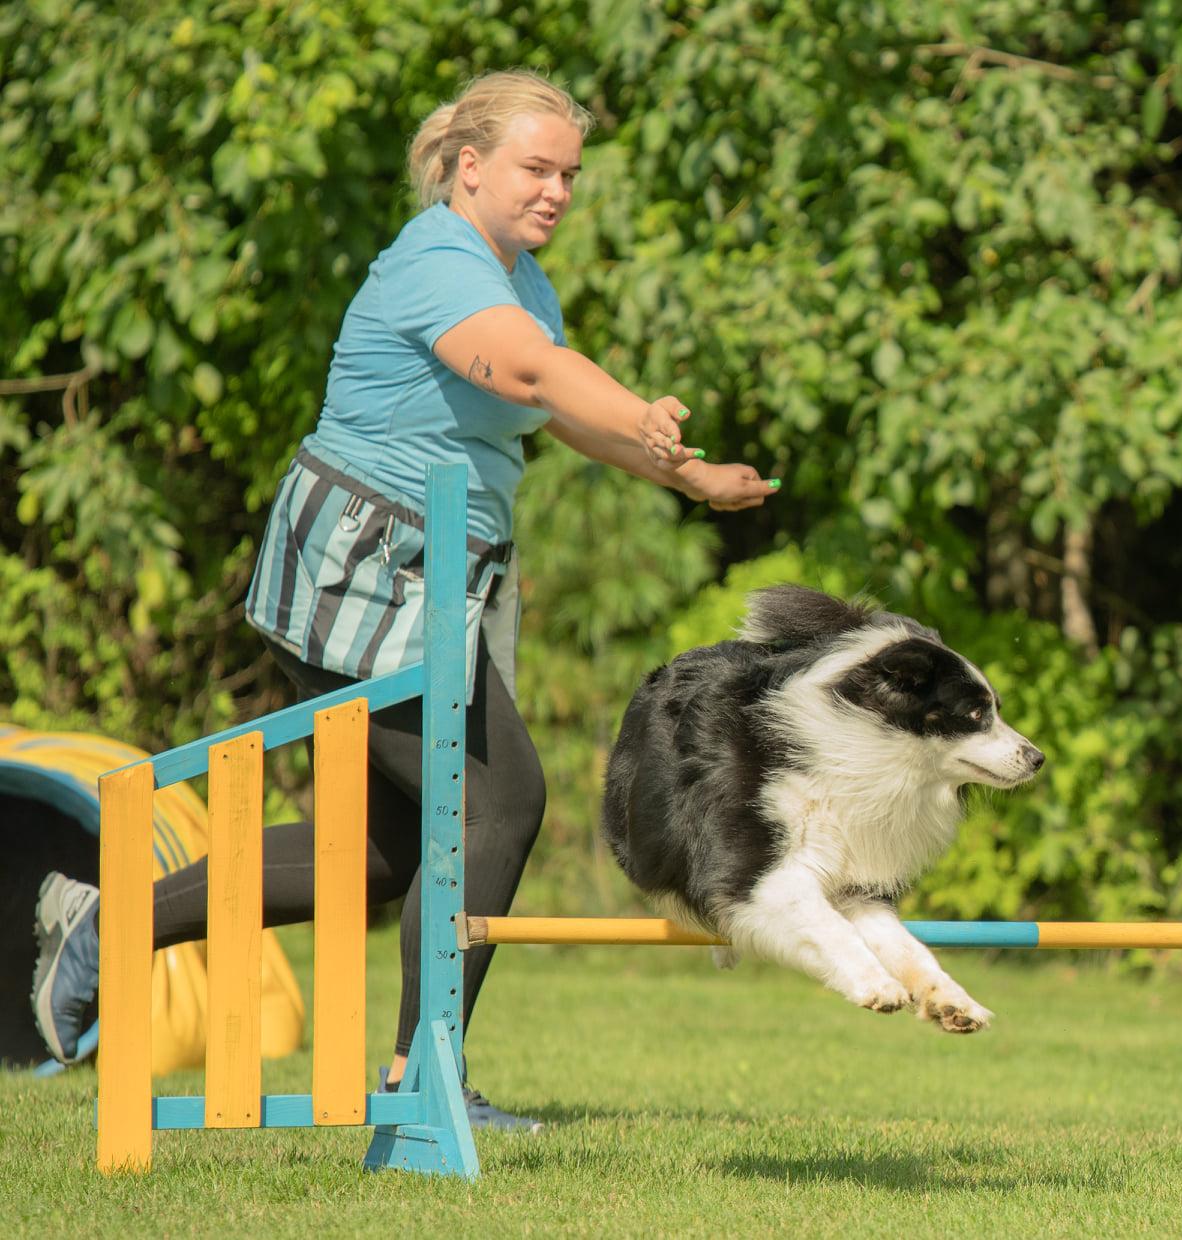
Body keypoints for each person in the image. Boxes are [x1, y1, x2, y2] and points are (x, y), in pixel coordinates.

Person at [30, 69, 779, 1129]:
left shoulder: (521, 279)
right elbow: (528, 378)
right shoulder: (437, 260)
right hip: (363, 561)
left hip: (430, 575)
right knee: (497, 799)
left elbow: (560, 412)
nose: (557, 190)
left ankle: (110, 930)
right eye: (536, 167)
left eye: (569, 173)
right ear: (469, 167)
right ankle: (420, 1080)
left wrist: (684, 472)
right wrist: (637, 411)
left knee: (381, 849)